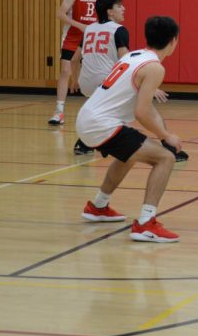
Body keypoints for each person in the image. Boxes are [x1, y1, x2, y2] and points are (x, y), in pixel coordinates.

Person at [76, 16, 185, 243]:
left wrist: (164, 133)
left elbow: (148, 108)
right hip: (101, 123)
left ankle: (98, 206)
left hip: (87, 118)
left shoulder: (134, 56)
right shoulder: (154, 68)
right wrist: (166, 137)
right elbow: (142, 112)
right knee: (165, 159)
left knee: (130, 153)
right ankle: (146, 223)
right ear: (174, 41)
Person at [69, 0, 187, 161]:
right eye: (119, 6)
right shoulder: (118, 29)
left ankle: (84, 142)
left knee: (105, 111)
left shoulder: (89, 28)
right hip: (108, 79)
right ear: (110, 12)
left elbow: (74, 59)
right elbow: (125, 58)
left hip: (86, 81)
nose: (123, 9)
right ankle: (168, 144)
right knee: (145, 109)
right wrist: (147, 83)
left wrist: (75, 79)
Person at [48, 0, 106, 126]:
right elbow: (60, 14)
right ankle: (59, 112)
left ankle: (97, 110)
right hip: (72, 37)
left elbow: (107, 14)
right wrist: (79, 25)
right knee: (65, 70)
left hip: (92, 38)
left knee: (94, 72)